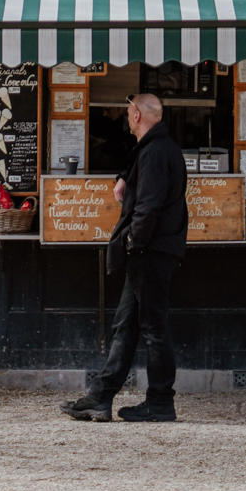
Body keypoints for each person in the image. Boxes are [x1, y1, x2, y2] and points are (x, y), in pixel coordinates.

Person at [62, 93, 188, 423]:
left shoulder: (156, 153)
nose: (125, 118)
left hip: (150, 252)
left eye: (128, 112)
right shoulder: (155, 149)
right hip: (153, 250)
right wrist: (123, 177)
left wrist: (133, 242)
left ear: (136, 116)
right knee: (126, 326)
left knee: (153, 327)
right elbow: (137, 172)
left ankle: (160, 402)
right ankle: (100, 398)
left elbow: (148, 206)